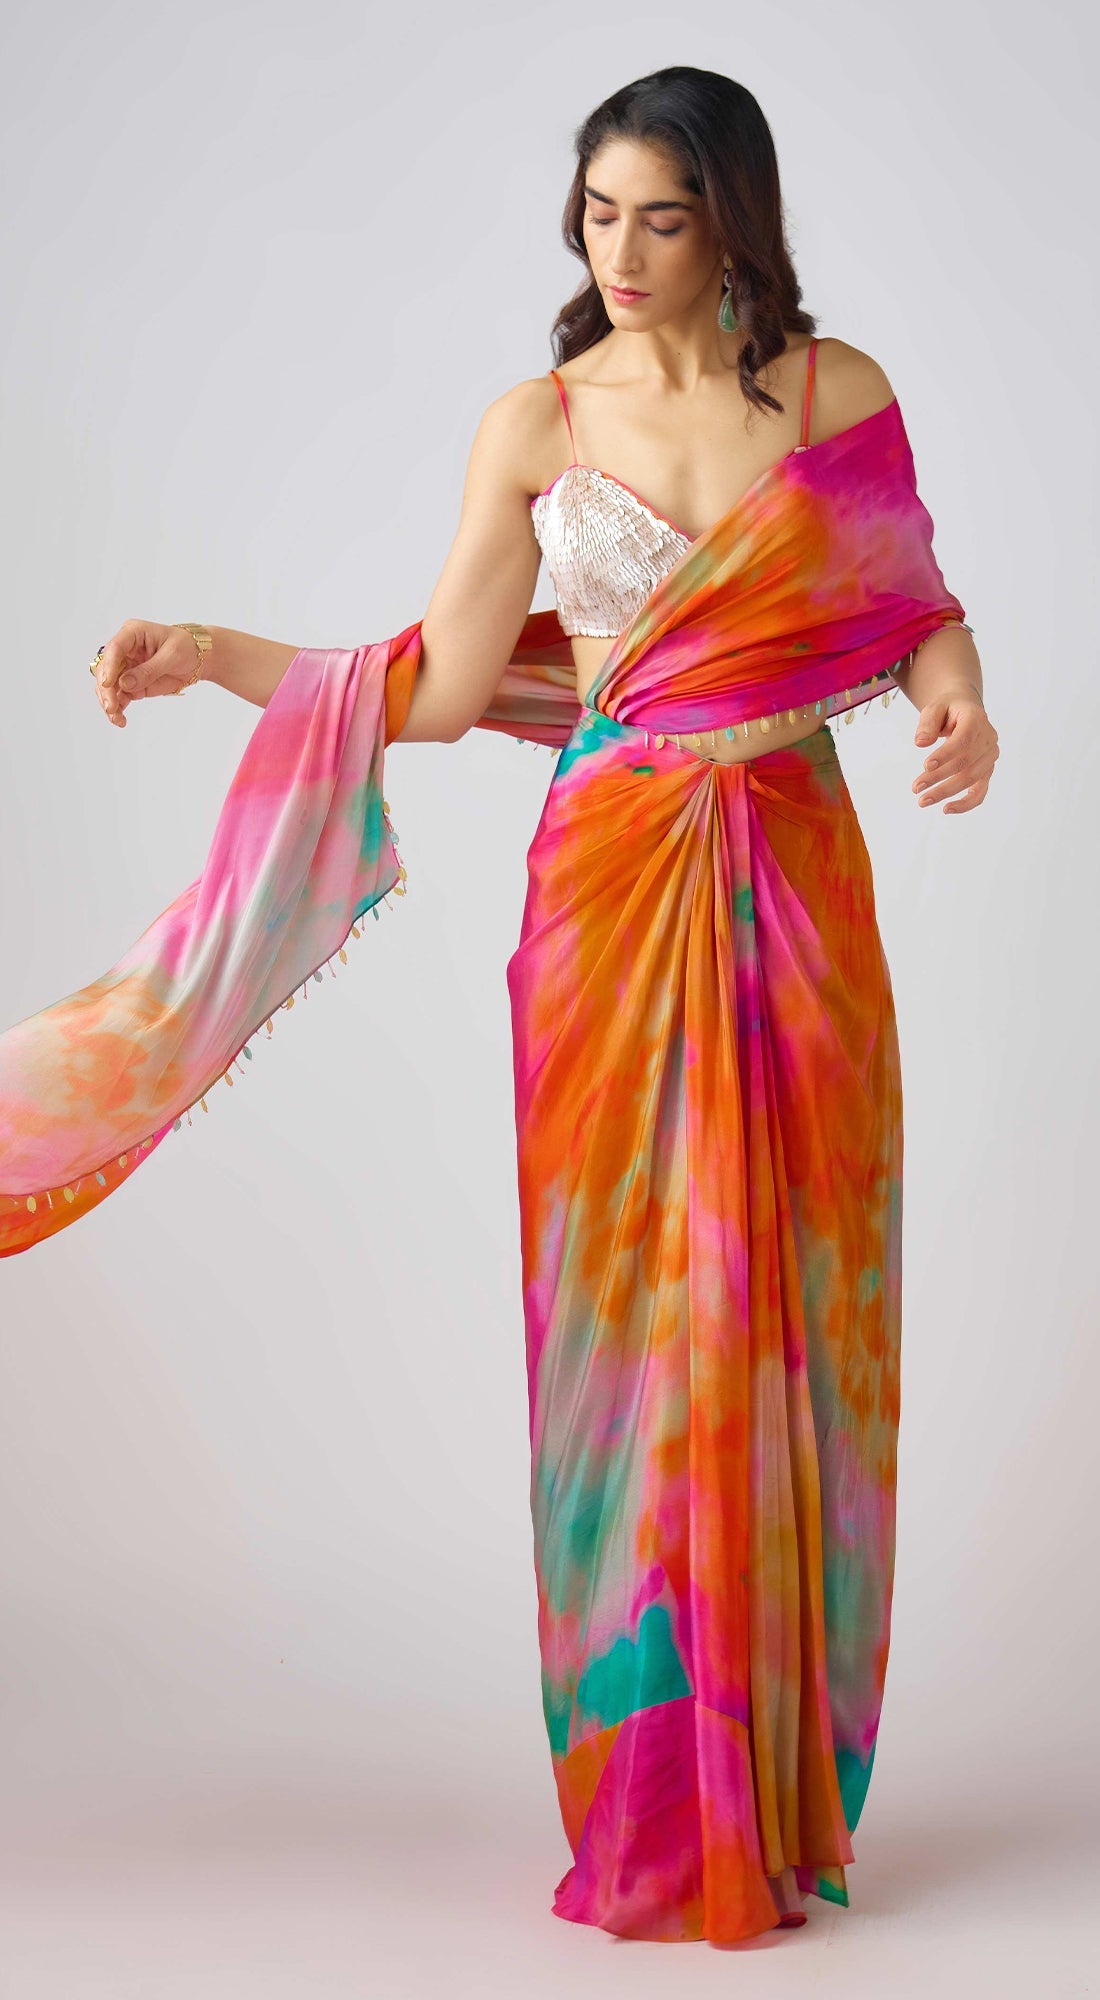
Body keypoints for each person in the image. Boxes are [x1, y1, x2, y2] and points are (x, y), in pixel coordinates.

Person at [0, 66, 998, 1945]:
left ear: (736, 222)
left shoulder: (834, 395)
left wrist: (962, 703)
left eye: (663, 218)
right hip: (614, 896)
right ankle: (659, 1804)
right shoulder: (537, 426)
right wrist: (214, 650)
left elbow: (913, 608)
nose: (621, 252)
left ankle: (779, 1792)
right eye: (599, 213)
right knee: (634, 1327)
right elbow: (448, 687)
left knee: (795, 1298)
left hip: (796, 883)